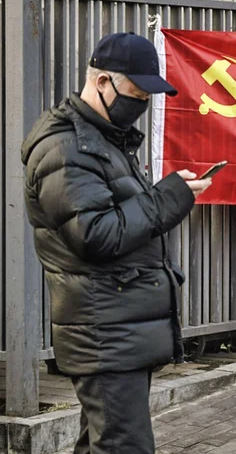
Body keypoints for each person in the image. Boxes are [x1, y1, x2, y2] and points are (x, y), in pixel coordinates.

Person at [21, 32, 212, 453]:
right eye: (136, 91)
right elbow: (96, 236)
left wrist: (167, 193)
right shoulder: (66, 146)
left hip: (118, 326)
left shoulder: (103, 140)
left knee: (103, 443)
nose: (141, 102)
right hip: (102, 332)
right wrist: (168, 198)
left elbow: (123, 216)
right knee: (124, 445)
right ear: (102, 81)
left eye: (147, 94)